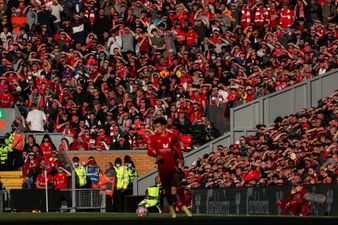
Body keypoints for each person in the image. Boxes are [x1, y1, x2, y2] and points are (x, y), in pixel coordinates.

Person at [147, 117, 192, 218]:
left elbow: (178, 148)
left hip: (173, 164)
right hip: (162, 167)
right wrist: (156, 155)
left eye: (157, 126)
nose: (156, 129)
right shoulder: (154, 138)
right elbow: (149, 150)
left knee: (178, 185)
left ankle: (184, 206)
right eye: (154, 127)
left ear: (163, 126)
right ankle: (171, 207)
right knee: (167, 189)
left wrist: (180, 158)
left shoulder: (172, 136)